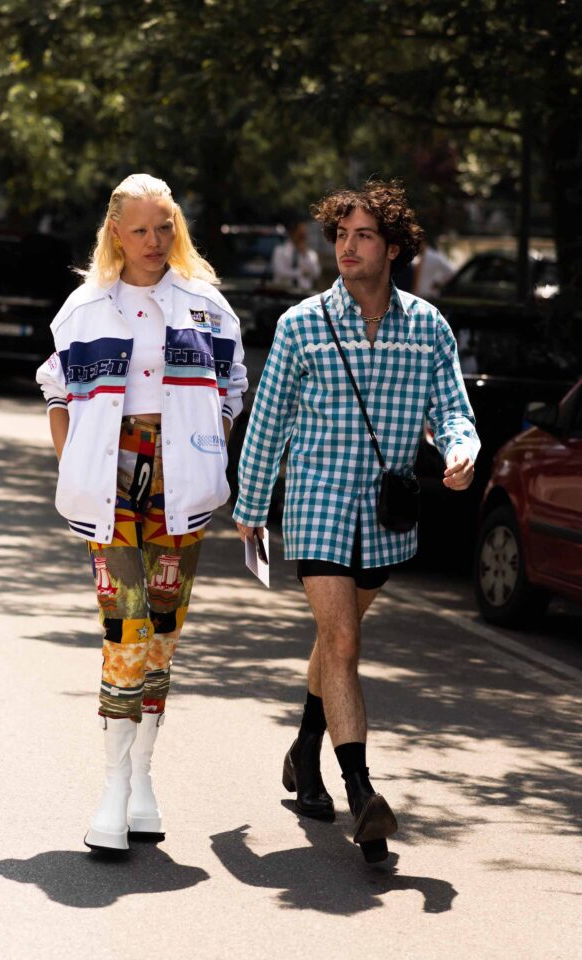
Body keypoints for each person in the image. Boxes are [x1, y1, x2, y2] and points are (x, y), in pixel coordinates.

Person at [233, 179, 479, 863]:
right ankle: (362, 794)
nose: (347, 246)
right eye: (340, 235)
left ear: (393, 248)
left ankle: (304, 754)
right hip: (314, 507)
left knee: (334, 640)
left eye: (363, 235)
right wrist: (251, 509)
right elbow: (269, 422)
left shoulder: (427, 328)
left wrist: (461, 451)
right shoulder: (302, 324)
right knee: (341, 643)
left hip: (385, 517)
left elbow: (453, 412)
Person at [36, 173, 247, 854]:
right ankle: (111, 787)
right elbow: (55, 384)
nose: (155, 241)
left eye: (165, 227)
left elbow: (233, 383)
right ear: (115, 233)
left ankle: (141, 776)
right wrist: (72, 457)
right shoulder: (84, 308)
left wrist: (205, 435)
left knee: (163, 629)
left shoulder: (206, 304)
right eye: (141, 230)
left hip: (181, 482)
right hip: (112, 481)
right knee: (124, 623)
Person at [271, 221, 321, 290]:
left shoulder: (311, 254)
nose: (302, 238)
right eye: (300, 235)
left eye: (304, 235)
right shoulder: (280, 251)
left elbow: (316, 273)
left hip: (304, 293)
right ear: (292, 233)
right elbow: (280, 272)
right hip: (284, 292)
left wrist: (304, 255)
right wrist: (300, 272)